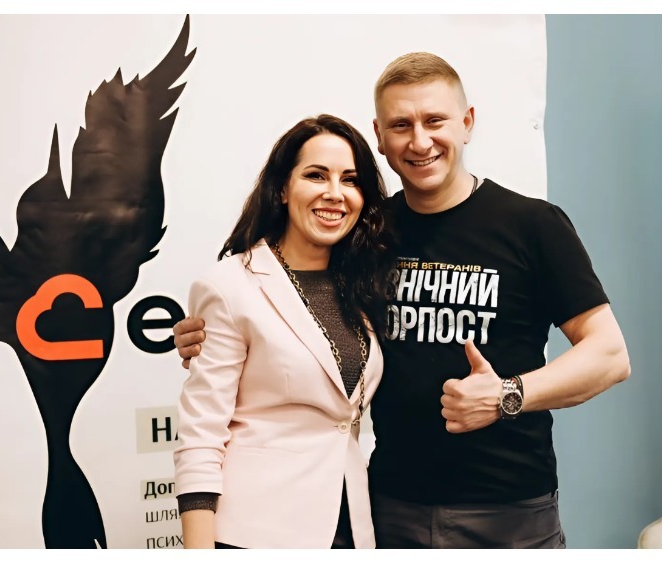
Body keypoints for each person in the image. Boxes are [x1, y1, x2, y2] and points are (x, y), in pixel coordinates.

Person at [174, 53, 631, 548]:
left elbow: (609, 355)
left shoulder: (533, 225)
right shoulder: (364, 235)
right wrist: (207, 335)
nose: (419, 141)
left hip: (508, 509)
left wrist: (506, 395)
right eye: (400, 125)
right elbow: (286, 304)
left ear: (467, 123)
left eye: (434, 121)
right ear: (379, 136)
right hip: (388, 509)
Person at [173, 114, 395, 549]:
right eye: (316, 175)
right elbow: (201, 435)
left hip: (350, 527)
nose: (335, 193)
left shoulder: (364, 284)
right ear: (282, 188)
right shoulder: (230, 286)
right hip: (256, 533)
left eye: (350, 180)